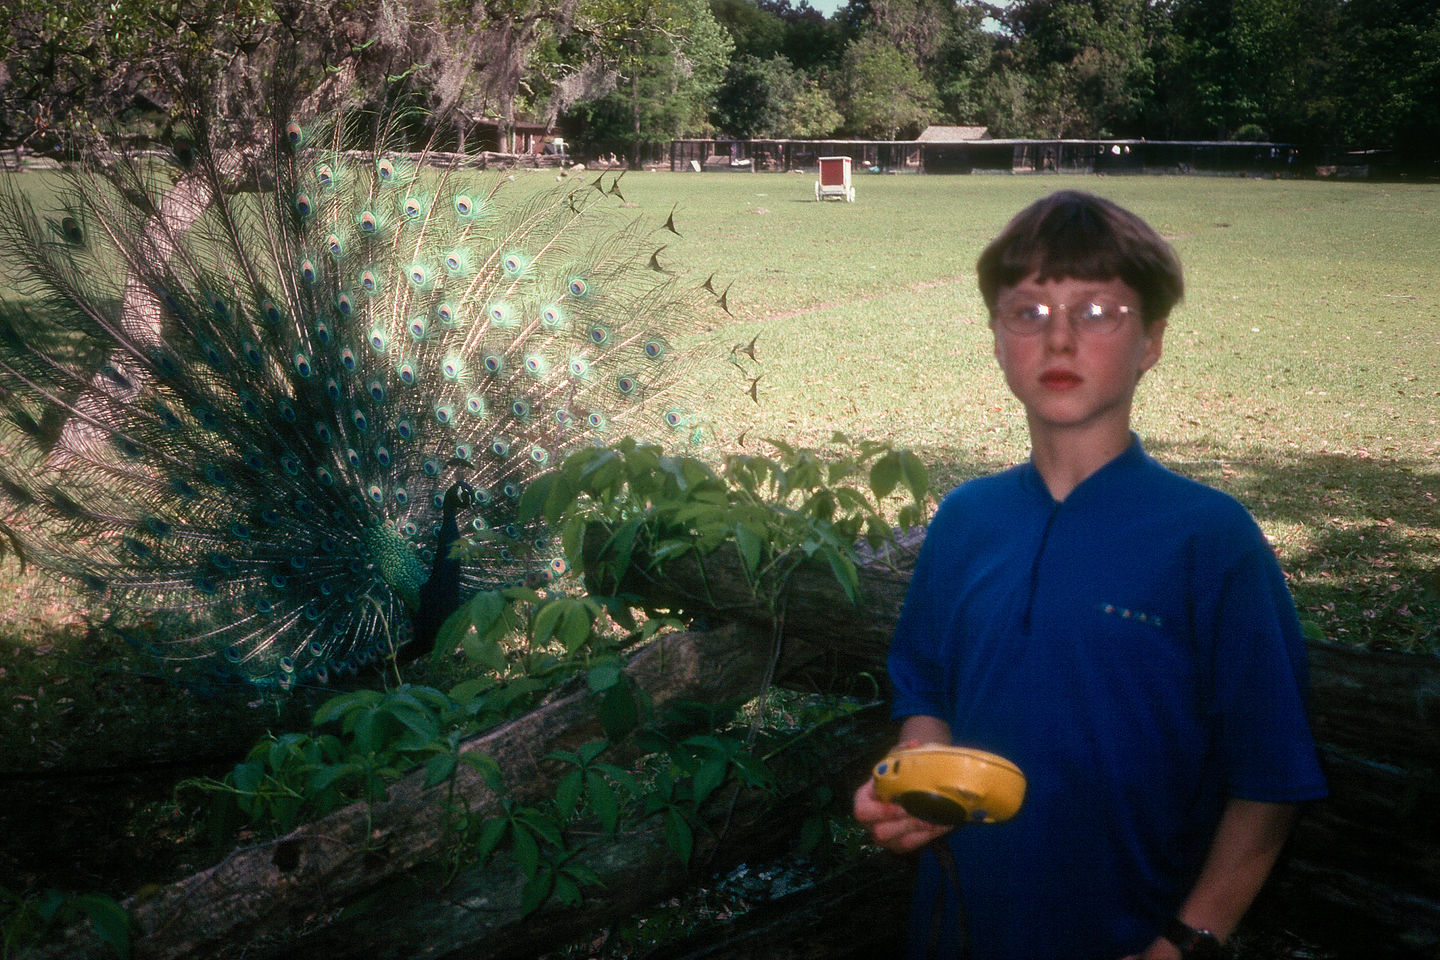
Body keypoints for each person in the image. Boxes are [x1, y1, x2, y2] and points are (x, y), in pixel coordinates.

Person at [852, 190, 1327, 960]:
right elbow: (926, 692)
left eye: (1099, 311)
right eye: (1028, 313)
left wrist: (1187, 939)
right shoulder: (967, 519)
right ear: (997, 340)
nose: (1060, 339)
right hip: (956, 929)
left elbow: (1270, 777)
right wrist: (916, 788)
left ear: (1151, 341)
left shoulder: (1210, 539)